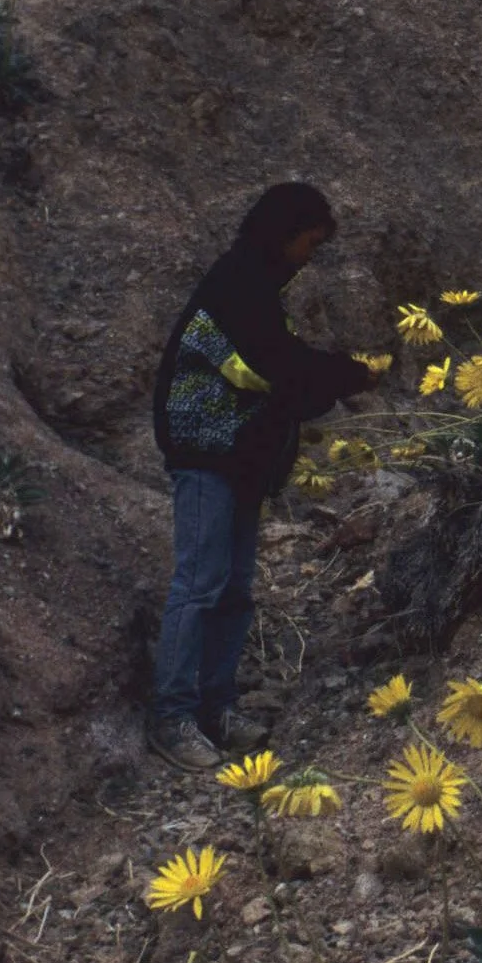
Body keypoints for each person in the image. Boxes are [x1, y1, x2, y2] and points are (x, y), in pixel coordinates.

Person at [147, 181, 379, 771]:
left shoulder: (257, 287)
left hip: (242, 455)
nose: (309, 257)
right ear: (284, 234)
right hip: (207, 451)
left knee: (233, 587)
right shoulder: (237, 286)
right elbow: (273, 366)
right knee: (200, 583)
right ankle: (172, 717)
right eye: (308, 243)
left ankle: (216, 707)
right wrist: (346, 374)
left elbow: (278, 375)